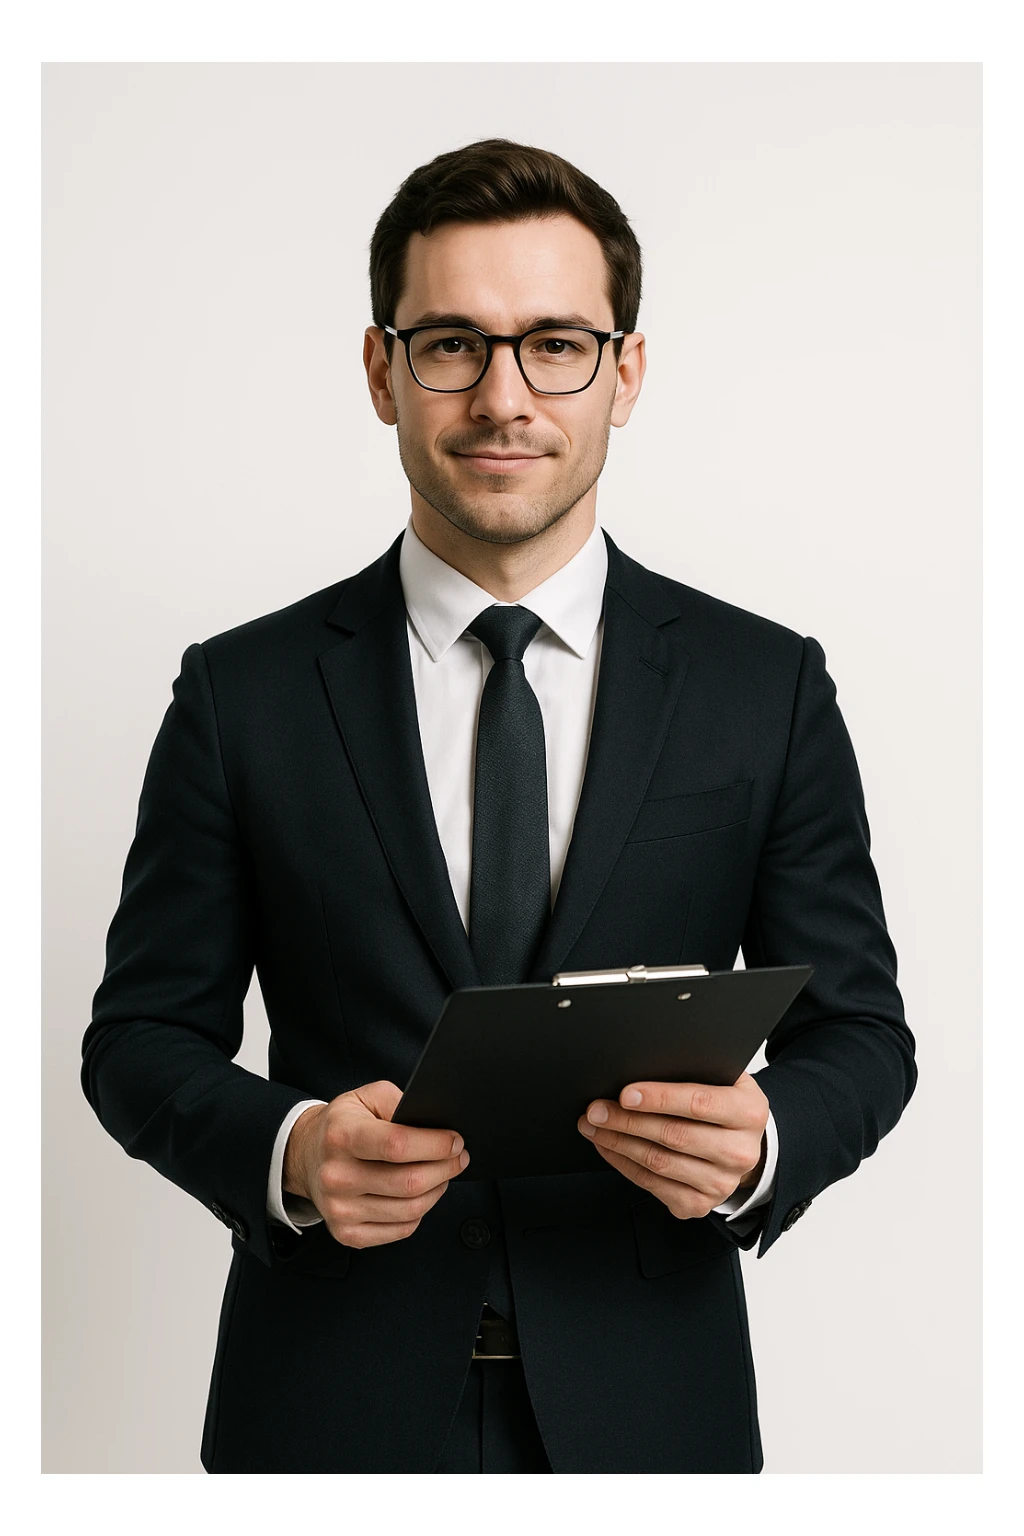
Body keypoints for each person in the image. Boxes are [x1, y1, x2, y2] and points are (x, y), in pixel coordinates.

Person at [81, 138, 917, 1474]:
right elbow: (137, 1044)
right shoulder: (242, 694)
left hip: (657, 1418)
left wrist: (767, 1142)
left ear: (626, 372)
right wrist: (292, 1153)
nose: (503, 396)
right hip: (322, 1416)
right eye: (452, 344)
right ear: (381, 370)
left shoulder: (766, 688)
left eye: (557, 345)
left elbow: (863, 1036)